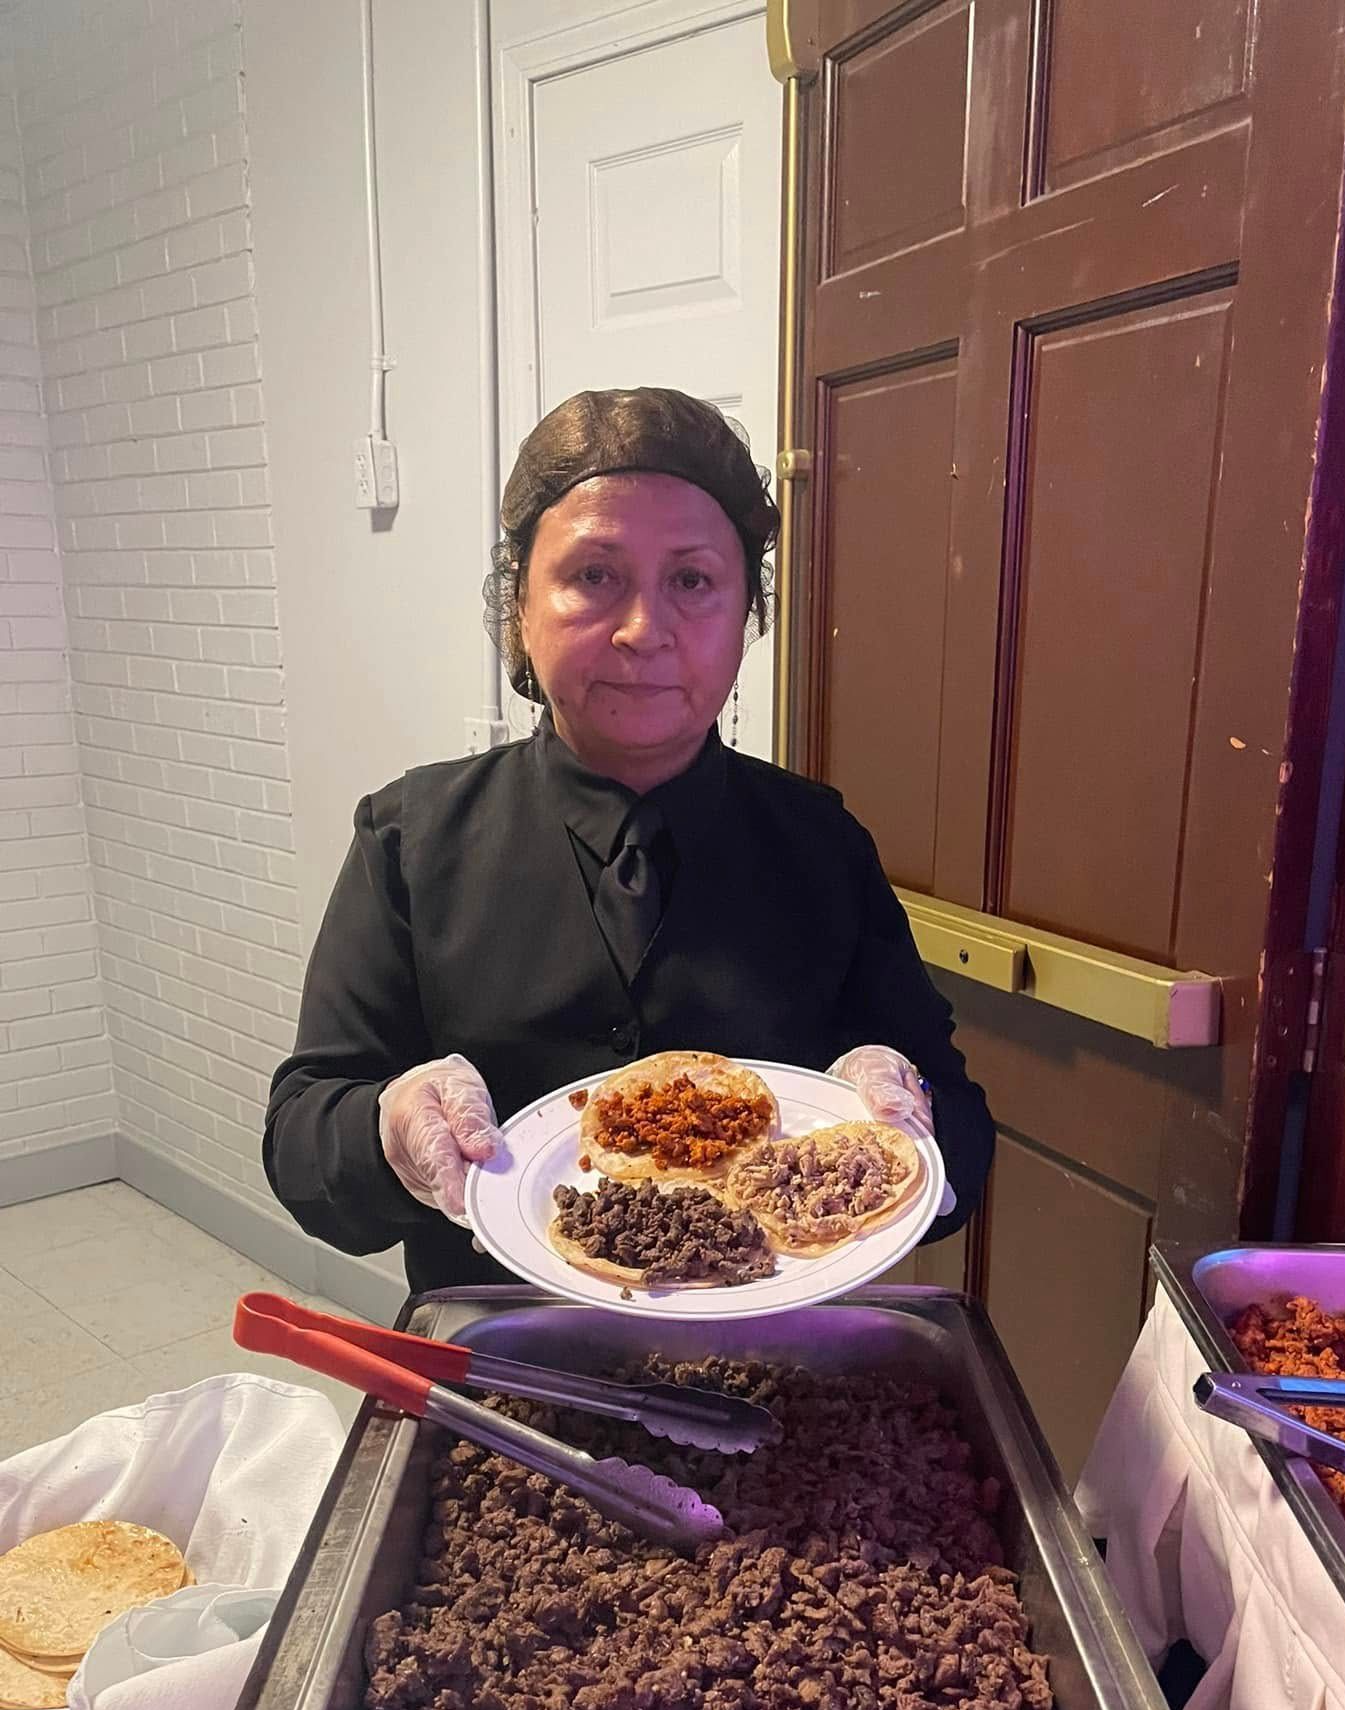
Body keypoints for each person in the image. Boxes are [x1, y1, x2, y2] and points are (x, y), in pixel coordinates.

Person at [264, 388, 994, 1293]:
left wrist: (900, 1111)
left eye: (692, 581)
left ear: (745, 620)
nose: (645, 631)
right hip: (501, 1367)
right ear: (519, 612)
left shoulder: (822, 842)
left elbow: (964, 1137)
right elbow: (303, 1149)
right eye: (593, 576)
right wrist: (389, 1124)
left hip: (775, 1374)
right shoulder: (409, 840)